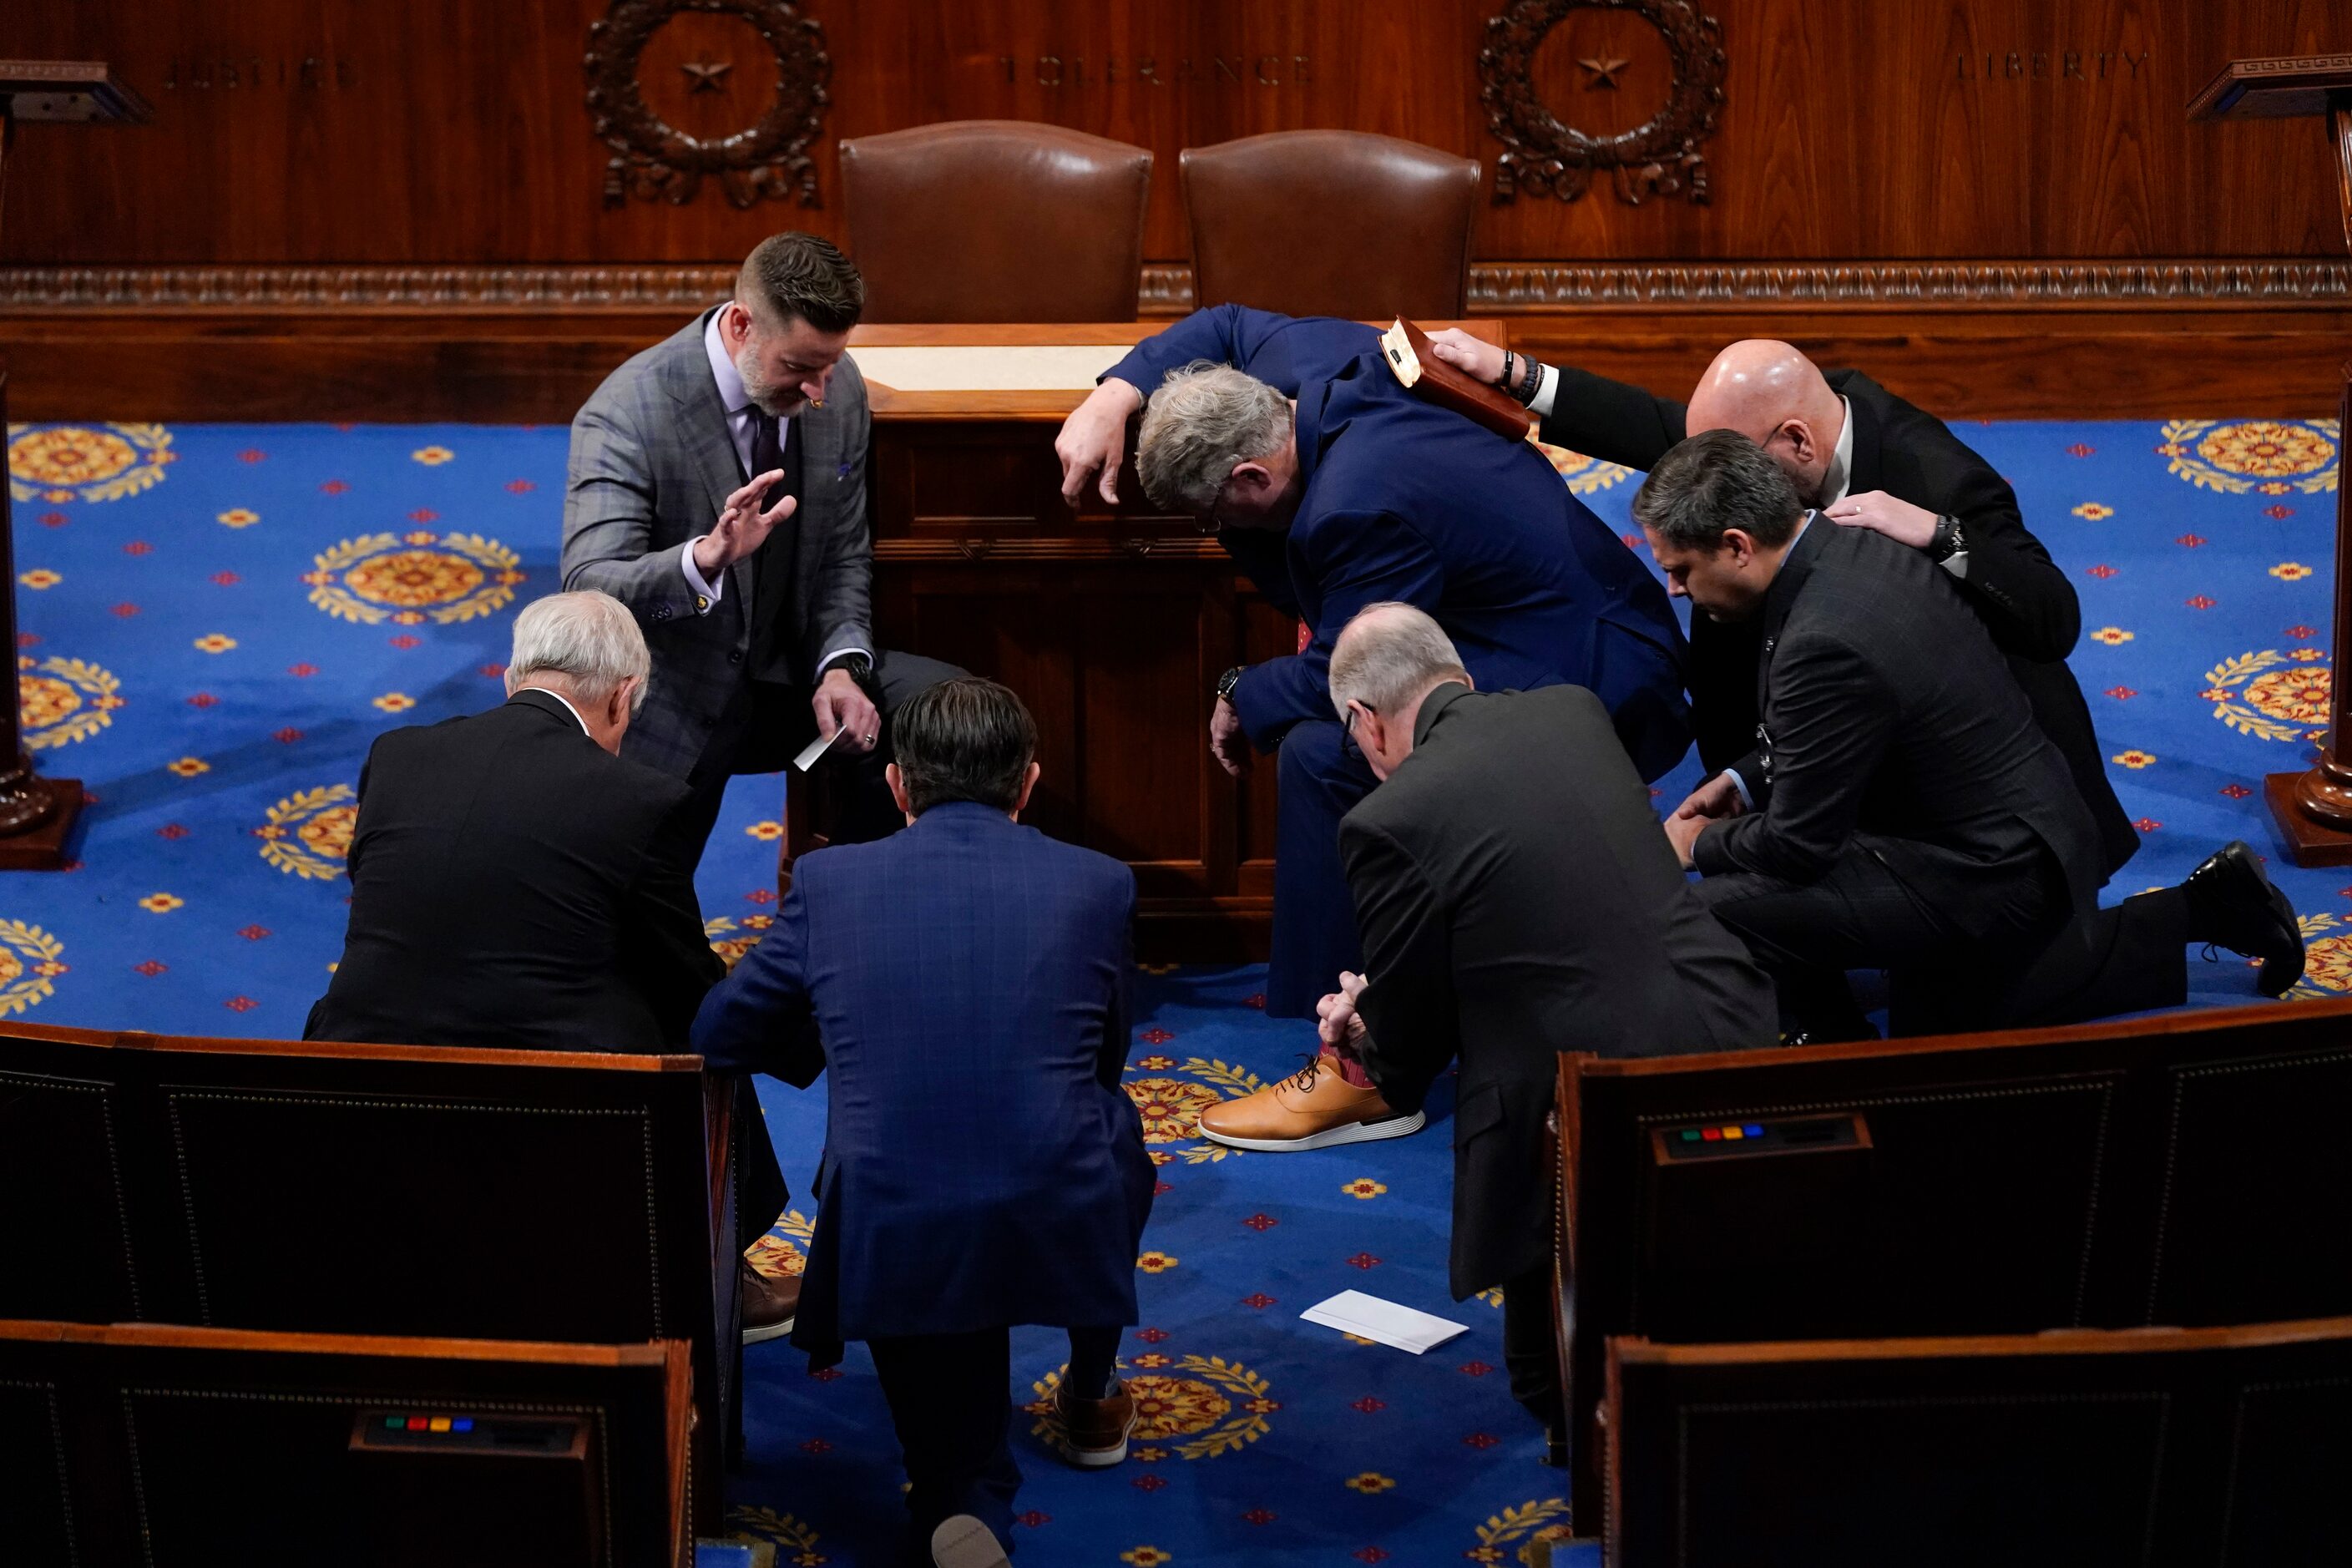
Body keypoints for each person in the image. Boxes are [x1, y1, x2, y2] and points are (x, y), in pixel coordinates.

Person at [1429, 330, 2304, 1012]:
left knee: (1944, 1000)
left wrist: (1940, 539)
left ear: (1798, 445)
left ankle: (2183, 914)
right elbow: (1665, 433)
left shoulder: (1927, 475)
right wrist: (1516, 375)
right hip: (1854, 729)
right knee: (1842, 920)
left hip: (1983, 763)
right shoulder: (1764, 454)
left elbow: (2051, 616)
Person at [1209, 602, 1774, 1454]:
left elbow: (1407, 1057)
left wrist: (1359, 1021)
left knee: (1546, 1384)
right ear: (1460, 680)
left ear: (1364, 721)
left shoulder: (1387, 822)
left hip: (1579, 1110)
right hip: (1735, 1022)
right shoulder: (1573, 709)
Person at [1057, 304, 1689, 1019]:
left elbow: (1346, 671)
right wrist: (1115, 392)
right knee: (1325, 742)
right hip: (1550, 601)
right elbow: (1226, 323)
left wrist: (1239, 687)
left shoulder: (1353, 511)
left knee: (1322, 752)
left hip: (1591, 676)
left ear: (1251, 477)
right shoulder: (1302, 365)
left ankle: (1347, 1026)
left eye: (1213, 517)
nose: (1217, 534)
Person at [690, 677, 1154, 1565]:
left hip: (895, 1210)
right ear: (1028, 785)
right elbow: (1106, 1059)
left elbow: (720, 1034)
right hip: (1061, 1187)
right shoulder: (1100, 884)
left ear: (899, 786)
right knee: (1115, 1131)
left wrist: (838, 1021)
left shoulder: (829, 881)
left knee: (954, 1456)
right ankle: (1092, 1388)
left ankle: (957, 1498)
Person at [1640, 430, 2298, 1037]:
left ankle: (1828, 1050)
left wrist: (1701, 844)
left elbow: (1797, 847)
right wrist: (1741, 780)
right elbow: (1856, 720)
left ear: (1735, 545)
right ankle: (2210, 907)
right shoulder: (1854, 542)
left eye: (1680, 569)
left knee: (1714, 914)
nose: (1671, 588)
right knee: (1947, 1005)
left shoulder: (1821, 638)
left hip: (1993, 873)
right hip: (2012, 824)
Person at [307, 590, 800, 1340]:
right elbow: (690, 980)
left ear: (513, 678)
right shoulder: (644, 799)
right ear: (624, 697)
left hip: (356, 1052)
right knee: (688, 1012)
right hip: (559, 1089)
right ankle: (719, 1271)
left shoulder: (396, 756)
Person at [562, 230, 961, 865]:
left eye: (830, 364)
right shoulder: (628, 411)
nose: (819, 389)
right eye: (800, 368)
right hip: (674, 694)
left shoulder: (839, 388)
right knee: (649, 931)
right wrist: (704, 561)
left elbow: (842, 555)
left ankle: (849, 918)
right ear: (742, 325)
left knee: (946, 717)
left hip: (791, 676)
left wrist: (840, 666)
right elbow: (587, 588)